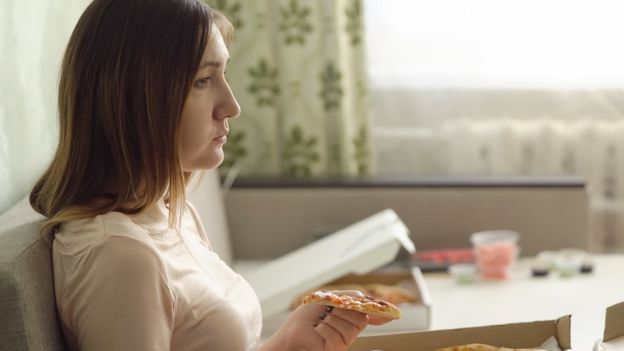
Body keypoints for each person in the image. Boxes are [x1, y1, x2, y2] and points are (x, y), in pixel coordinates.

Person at [29, 0, 389, 350]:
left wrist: (289, 342)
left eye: (223, 74)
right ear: (136, 100)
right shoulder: (121, 259)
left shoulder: (173, 213)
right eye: (203, 80)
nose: (231, 106)